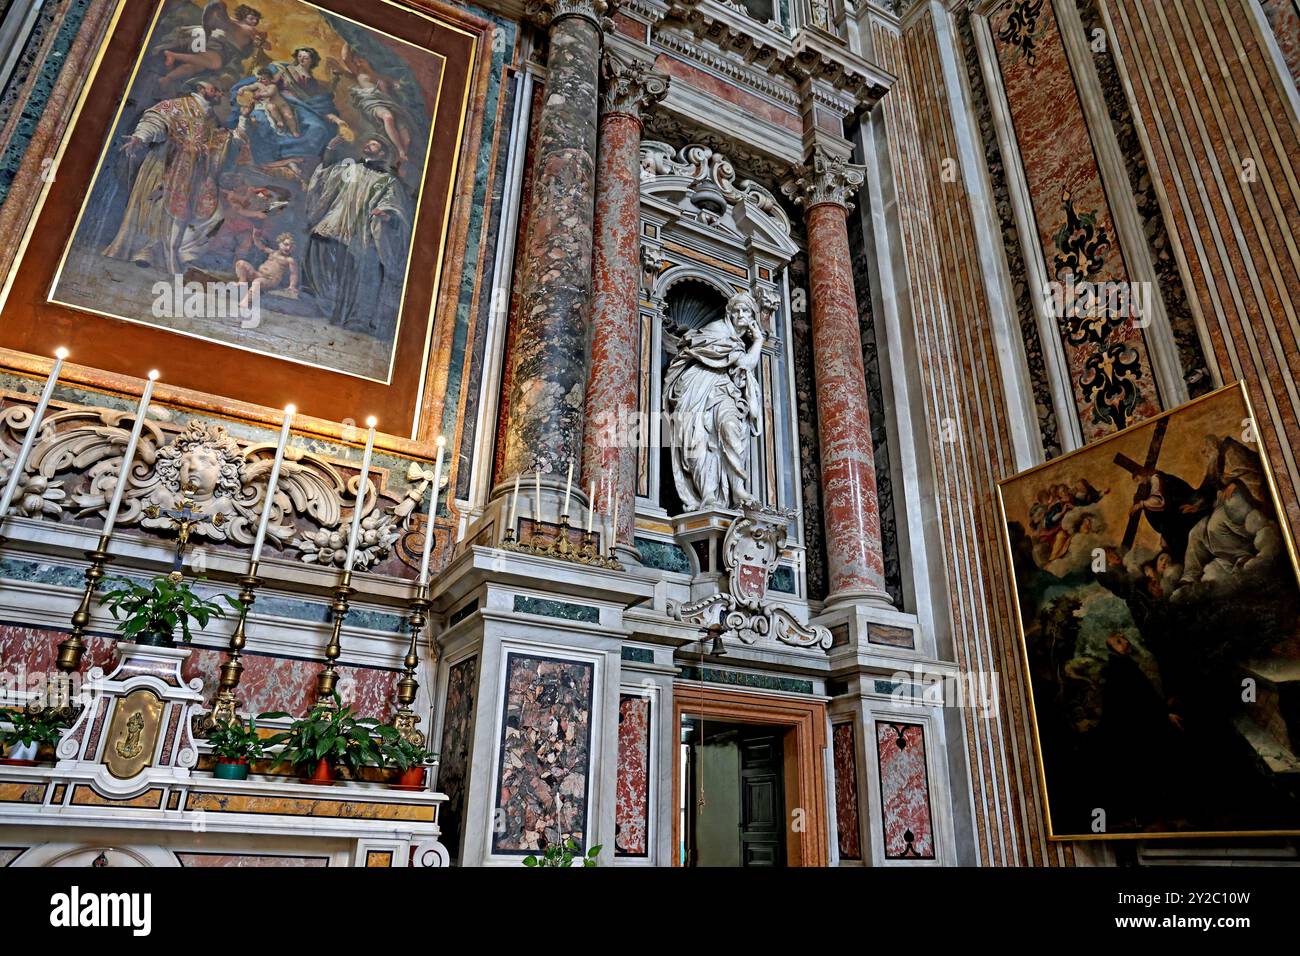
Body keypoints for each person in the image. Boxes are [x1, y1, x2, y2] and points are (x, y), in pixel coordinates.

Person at [104, 80, 243, 274]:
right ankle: (147, 250)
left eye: (221, 91)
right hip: (165, 164)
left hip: (194, 172)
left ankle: (183, 254)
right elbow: (156, 120)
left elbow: (221, 142)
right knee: (156, 207)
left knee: (210, 215)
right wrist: (140, 137)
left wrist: (243, 121)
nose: (220, 94)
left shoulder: (211, 117)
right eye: (215, 89)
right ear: (200, 88)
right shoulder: (177, 105)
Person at [662, 291, 764, 510]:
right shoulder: (717, 331)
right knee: (697, 438)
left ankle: (737, 487)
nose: (739, 314)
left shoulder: (736, 342)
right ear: (728, 313)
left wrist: (757, 341)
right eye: (735, 310)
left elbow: (743, 365)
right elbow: (745, 363)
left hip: (723, 390)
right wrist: (759, 342)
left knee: (731, 428)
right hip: (696, 387)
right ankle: (707, 494)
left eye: (745, 310)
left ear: (752, 316)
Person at [301, 137, 411, 331]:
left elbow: (393, 206)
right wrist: (329, 151)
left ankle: (338, 312)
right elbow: (327, 178)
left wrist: (386, 215)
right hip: (332, 222)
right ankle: (317, 304)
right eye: (367, 142)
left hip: (356, 232)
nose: (367, 145)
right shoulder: (350, 169)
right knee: (316, 252)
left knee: (346, 270)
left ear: (382, 153)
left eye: (374, 144)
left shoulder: (387, 180)